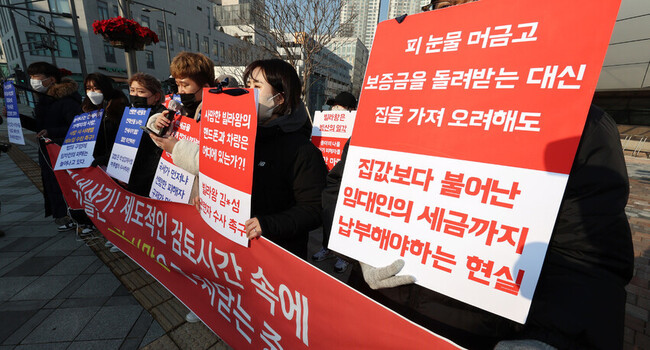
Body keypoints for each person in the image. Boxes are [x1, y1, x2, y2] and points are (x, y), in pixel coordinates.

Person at [151, 58, 328, 260]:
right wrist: (212, 202)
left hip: (276, 257)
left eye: (257, 86)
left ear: (280, 99)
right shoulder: (239, 137)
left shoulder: (302, 150)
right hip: (235, 253)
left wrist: (267, 224)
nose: (249, 91)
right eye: (248, 85)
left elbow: (314, 209)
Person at [146, 51, 215, 324]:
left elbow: (214, 160)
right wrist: (157, 124)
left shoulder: (216, 110)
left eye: (185, 84)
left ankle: (204, 303)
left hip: (200, 194)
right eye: (177, 84)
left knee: (203, 255)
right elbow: (161, 141)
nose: (180, 90)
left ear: (203, 82)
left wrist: (176, 147)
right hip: (176, 187)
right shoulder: (177, 106)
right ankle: (191, 295)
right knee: (184, 249)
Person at [25, 62, 82, 231]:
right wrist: (17, 118)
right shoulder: (45, 101)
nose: (33, 81)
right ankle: (65, 216)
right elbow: (40, 127)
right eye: (31, 78)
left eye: (37, 78)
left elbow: (77, 127)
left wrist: (51, 132)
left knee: (66, 185)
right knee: (53, 184)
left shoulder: (66, 101)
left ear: (51, 79)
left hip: (63, 151)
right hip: (49, 152)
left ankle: (76, 216)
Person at [312, 91, 357, 273]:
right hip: (329, 177)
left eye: (339, 107)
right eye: (333, 106)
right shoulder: (325, 126)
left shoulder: (357, 131)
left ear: (351, 111)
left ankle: (344, 256)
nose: (334, 110)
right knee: (328, 214)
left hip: (346, 181)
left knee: (345, 219)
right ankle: (327, 247)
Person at [126, 73, 166, 197]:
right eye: (132, 90)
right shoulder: (129, 113)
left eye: (141, 91)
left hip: (150, 178)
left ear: (156, 96)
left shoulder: (162, 116)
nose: (135, 95)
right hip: (130, 175)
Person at [82, 73, 129, 168]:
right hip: (92, 163)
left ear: (105, 88)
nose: (92, 92)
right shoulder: (86, 109)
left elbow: (123, 140)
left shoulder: (118, 109)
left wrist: (107, 158)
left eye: (96, 88)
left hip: (113, 163)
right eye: (88, 88)